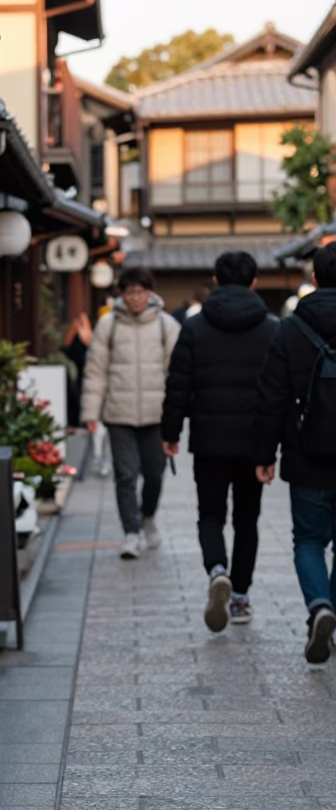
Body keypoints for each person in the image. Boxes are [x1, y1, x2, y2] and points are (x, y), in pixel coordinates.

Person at [161, 251, 278, 631]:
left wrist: (170, 432)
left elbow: (178, 384)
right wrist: (275, 442)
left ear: (215, 280)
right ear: (254, 282)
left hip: (209, 441)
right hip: (253, 441)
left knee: (210, 515)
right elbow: (278, 390)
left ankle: (217, 570)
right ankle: (240, 598)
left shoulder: (195, 327)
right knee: (247, 519)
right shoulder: (271, 327)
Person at [254, 243, 336, 666]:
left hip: (306, 454)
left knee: (308, 539)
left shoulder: (290, 329)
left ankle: (320, 605)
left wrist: (264, 454)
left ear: (316, 279)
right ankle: (331, 610)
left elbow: (270, 397)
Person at [81, 266, 180, 558]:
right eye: (130, 292)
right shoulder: (108, 326)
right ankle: (131, 532)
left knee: (154, 475)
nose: (135, 297)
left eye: (140, 291)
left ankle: (147, 516)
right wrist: (91, 412)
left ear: (150, 293)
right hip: (118, 415)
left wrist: (178, 413)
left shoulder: (166, 326)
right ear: (121, 294)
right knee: (125, 475)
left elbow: (178, 374)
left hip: (156, 416)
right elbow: (95, 371)